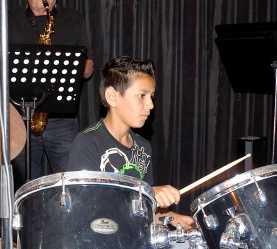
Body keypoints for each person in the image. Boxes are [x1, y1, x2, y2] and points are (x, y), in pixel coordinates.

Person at [67, 56, 195, 228]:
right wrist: (144, 194)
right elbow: (85, 207)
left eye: (152, 96)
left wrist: (173, 218)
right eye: (142, 95)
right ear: (112, 97)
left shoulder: (143, 147)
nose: (150, 105)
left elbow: (140, 212)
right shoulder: (87, 142)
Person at [8, 0, 94, 182]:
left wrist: (69, 65)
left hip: (61, 121)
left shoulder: (72, 19)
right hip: (20, 119)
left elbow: (89, 68)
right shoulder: (10, 19)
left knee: (71, 185)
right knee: (24, 190)